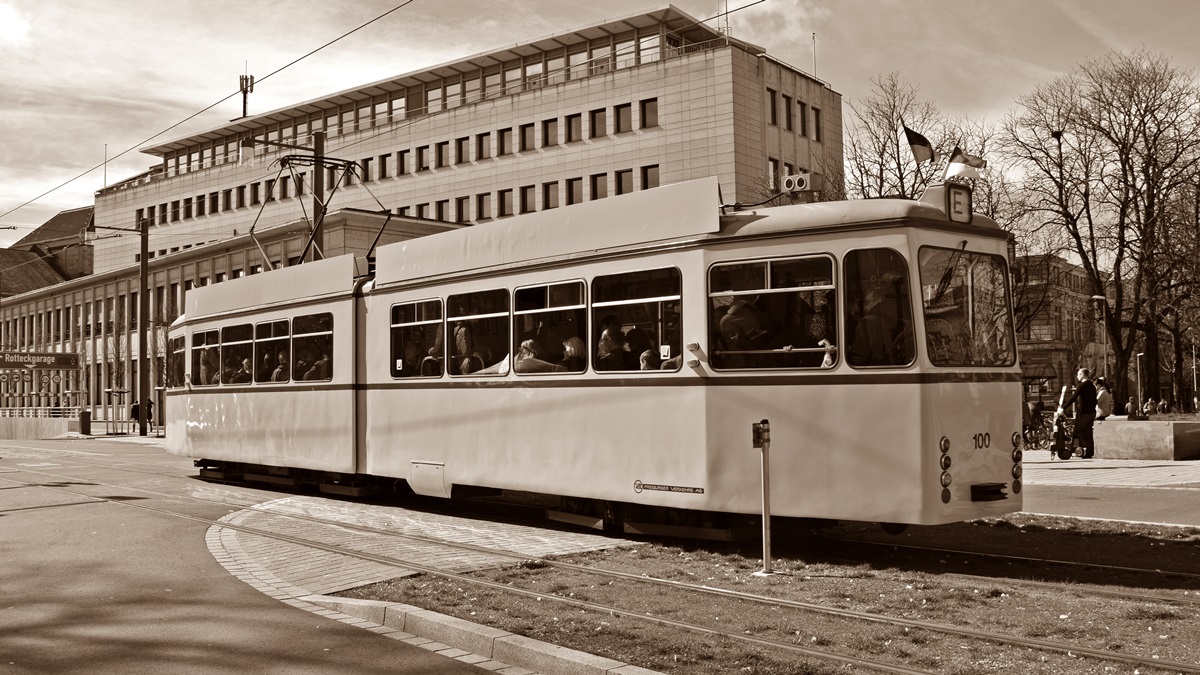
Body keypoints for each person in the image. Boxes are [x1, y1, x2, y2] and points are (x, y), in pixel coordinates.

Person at [1058, 368, 1097, 459]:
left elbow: (1073, 398)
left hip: (1084, 413)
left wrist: (1063, 408)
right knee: (1088, 432)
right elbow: (1094, 400)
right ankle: (1089, 452)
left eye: (1079, 374)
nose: (1077, 376)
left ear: (1083, 375)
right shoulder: (1092, 385)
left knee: (1076, 430)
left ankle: (1084, 444)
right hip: (1092, 412)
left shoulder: (1081, 385)